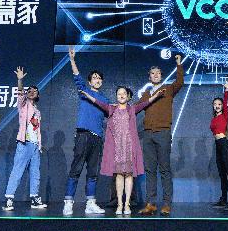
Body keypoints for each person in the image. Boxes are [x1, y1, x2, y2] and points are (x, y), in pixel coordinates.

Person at [81, 86, 165, 215]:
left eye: (124, 93)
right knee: (119, 176)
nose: (121, 95)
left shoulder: (132, 109)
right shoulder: (111, 109)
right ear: (116, 96)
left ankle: (127, 205)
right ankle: (120, 204)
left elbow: (146, 103)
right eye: (119, 93)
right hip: (117, 148)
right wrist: (87, 95)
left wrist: (157, 95)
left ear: (127, 96)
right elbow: (98, 102)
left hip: (129, 147)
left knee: (129, 175)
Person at [63, 47, 109, 215]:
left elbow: (111, 112)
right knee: (76, 169)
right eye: (94, 78)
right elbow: (76, 75)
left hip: (97, 138)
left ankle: (90, 203)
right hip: (83, 135)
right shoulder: (84, 91)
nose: (97, 80)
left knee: (93, 172)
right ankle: (68, 202)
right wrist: (72, 59)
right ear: (89, 82)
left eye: (99, 78)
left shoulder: (104, 99)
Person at [138, 54, 184, 216]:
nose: (156, 75)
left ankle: (166, 204)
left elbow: (180, 82)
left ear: (161, 76)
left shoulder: (168, 89)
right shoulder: (146, 95)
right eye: (153, 73)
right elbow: (134, 109)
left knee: (164, 169)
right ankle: (151, 204)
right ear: (149, 77)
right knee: (150, 170)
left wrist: (178, 64)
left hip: (163, 133)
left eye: (158, 73)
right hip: (148, 135)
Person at [3, 67, 47, 211]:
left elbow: (36, 129)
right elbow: (20, 93)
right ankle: (9, 198)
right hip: (24, 143)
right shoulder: (23, 105)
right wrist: (20, 80)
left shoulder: (38, 111)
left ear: (38, 94)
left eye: (35, 90)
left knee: (35, 173)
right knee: (18, 170)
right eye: (30, 90)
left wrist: (39, 144)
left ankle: (34, 198)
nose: (32, 91)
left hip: (35, 146)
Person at [209, 78, 228, 211]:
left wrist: (226, 89)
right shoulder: (214, 118)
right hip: (217, 145)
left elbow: (226, 101)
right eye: (215, 104)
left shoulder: (225, 115)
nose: (217, 106)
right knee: (222, 174)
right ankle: (223, 199)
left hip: (224, 144)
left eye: (219, 104)